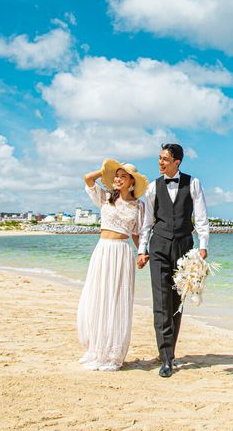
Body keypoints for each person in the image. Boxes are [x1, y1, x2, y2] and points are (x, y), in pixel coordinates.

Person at [137, 143, 209, 377]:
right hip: (158, 246)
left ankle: (170, 351)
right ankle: (166, 358)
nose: (160, 162)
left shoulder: (193, 183)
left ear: (177, 162)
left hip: (184, 246)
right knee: (161, 301)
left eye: (165, 159)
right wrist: (142, 249)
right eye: (159, 158)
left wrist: (203, 247)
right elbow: (147, 222)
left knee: (176, 303)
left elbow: (201, 217)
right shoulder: (152, 187)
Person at [77, 159, 148, 371]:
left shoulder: (138, 206)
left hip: (122, 252)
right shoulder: (106, 198)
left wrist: (142, 253)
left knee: (116, 300)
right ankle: (95, 350)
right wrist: (106, 171)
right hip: (103, 250)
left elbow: (138, 233)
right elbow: (88, 179)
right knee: (97, 297)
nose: (117, 179)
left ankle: (112, 354)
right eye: (116, 176)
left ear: (132, 182)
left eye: (122, 176)